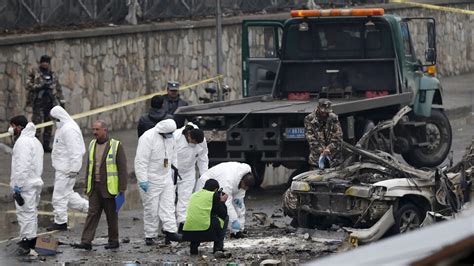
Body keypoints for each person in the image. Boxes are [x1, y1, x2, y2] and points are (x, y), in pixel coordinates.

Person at [73, 120, 127, 250]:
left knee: (111, 216)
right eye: (93, 129)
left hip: (109, 188)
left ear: (104, 130)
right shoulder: (92, 144)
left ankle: (113, 241)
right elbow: (89, 167)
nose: (94, 132)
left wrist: (122, 189)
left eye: (97, 129)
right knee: (92, 214)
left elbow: (122, 168)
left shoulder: (116, 145)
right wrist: (87, 185)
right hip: (95, 187)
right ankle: (86, 241)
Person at [134, 119, 182, 245]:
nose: (171, 135)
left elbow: (174, 155)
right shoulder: (147, 138)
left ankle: (171, 231)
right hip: (151, 178)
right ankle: (150, 235)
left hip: (165, 176)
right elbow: (141, 161)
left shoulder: (170, 138)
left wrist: (174, 171)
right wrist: (143, 180)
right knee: (152, 209)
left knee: (169, 206)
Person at [48, 106, 88, 231]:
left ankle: (60, 222)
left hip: (67, 169)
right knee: (68, 195)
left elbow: (75, 151)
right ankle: (91, 209)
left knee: (59, 196)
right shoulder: (63, 128)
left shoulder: (69, 129)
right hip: (64, 168)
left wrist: (74, 169)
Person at [8, 116, 44, 255]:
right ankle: (31, 239)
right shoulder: (34, 141)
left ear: (19, 127)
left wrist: (18, 186)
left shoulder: (23, 142)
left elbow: (22, 166)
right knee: (31, 212)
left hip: (25, 184)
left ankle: (26, 242)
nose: (11, 129)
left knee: (25, 214)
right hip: (34, 182)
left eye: (13, 126)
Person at [196, 162, 255, 239]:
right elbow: (227, 204)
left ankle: (234, 229)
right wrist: (235, 225)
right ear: (242, 181)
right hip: (206, 184)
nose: (245, 189)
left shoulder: (242, 181)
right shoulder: (228, 180)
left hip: (220, 185)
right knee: (208, 209)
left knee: (236, 205)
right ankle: (200, 231)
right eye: (245, 187)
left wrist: (240, 227)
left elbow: (239, 204)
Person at [26, 55, 64, 153]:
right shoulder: (35, 72)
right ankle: (35, 145)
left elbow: (58, 88)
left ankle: (46, 145)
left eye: (47, 62)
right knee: (37, 124)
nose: (45, 64)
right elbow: (28, 85)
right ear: (41, 62)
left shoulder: (52, 74)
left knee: (49, 124)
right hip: (38, 102)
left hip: (50, 102)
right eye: (44, 62)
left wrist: (61, 101)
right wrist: (39, 86)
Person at [174, 123, 208, 231]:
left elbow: (203, 158)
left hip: (188, 173)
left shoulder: (201, 141)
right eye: (193, 142)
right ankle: (169, 227)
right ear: (189, 136)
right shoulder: (176, 137)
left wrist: (204, 176)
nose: (195, 144)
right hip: (172, 172)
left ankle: (182, 224)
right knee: (169, 200)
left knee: (185, 199)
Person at [183, 179, 228, 255]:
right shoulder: (213, 195)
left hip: (188, 231)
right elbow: (223, 214)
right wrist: (222, 201)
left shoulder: (193, 195)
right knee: (225, 219)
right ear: (216, 189)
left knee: (198, 218)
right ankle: (218, 248)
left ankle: (193, 248)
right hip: (205, 230)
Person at [304, 98, 343, 170]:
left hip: (334, 157)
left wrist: (329, 148)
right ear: (318, 108)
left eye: (327, 112)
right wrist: (321, 150)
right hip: (317, 158)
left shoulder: (333, 118)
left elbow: (338, 136)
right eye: (323, 112)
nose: (325, 114)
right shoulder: (309, 119)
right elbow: (310, 138)